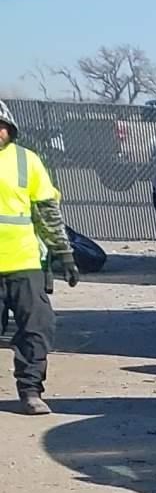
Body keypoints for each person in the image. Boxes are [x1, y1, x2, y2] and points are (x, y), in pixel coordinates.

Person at [0, 101, 77, 416]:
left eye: (0, 126)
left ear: (10, 129)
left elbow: (47, 211)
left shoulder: (26, 161)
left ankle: (30, 390)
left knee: (37, 328)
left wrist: (64, 253)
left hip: (25, 263)